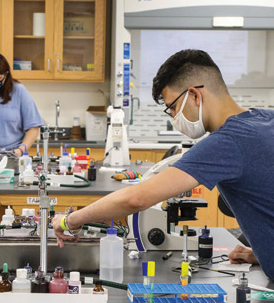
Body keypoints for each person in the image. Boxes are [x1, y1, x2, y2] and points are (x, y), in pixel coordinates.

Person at [52, 49, 274, 279]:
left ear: (195, 95)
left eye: (173, 108)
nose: (174, 118)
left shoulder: (227, 141)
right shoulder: (267, 119)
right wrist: (263, 252)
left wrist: (69, 221)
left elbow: (136, 198)